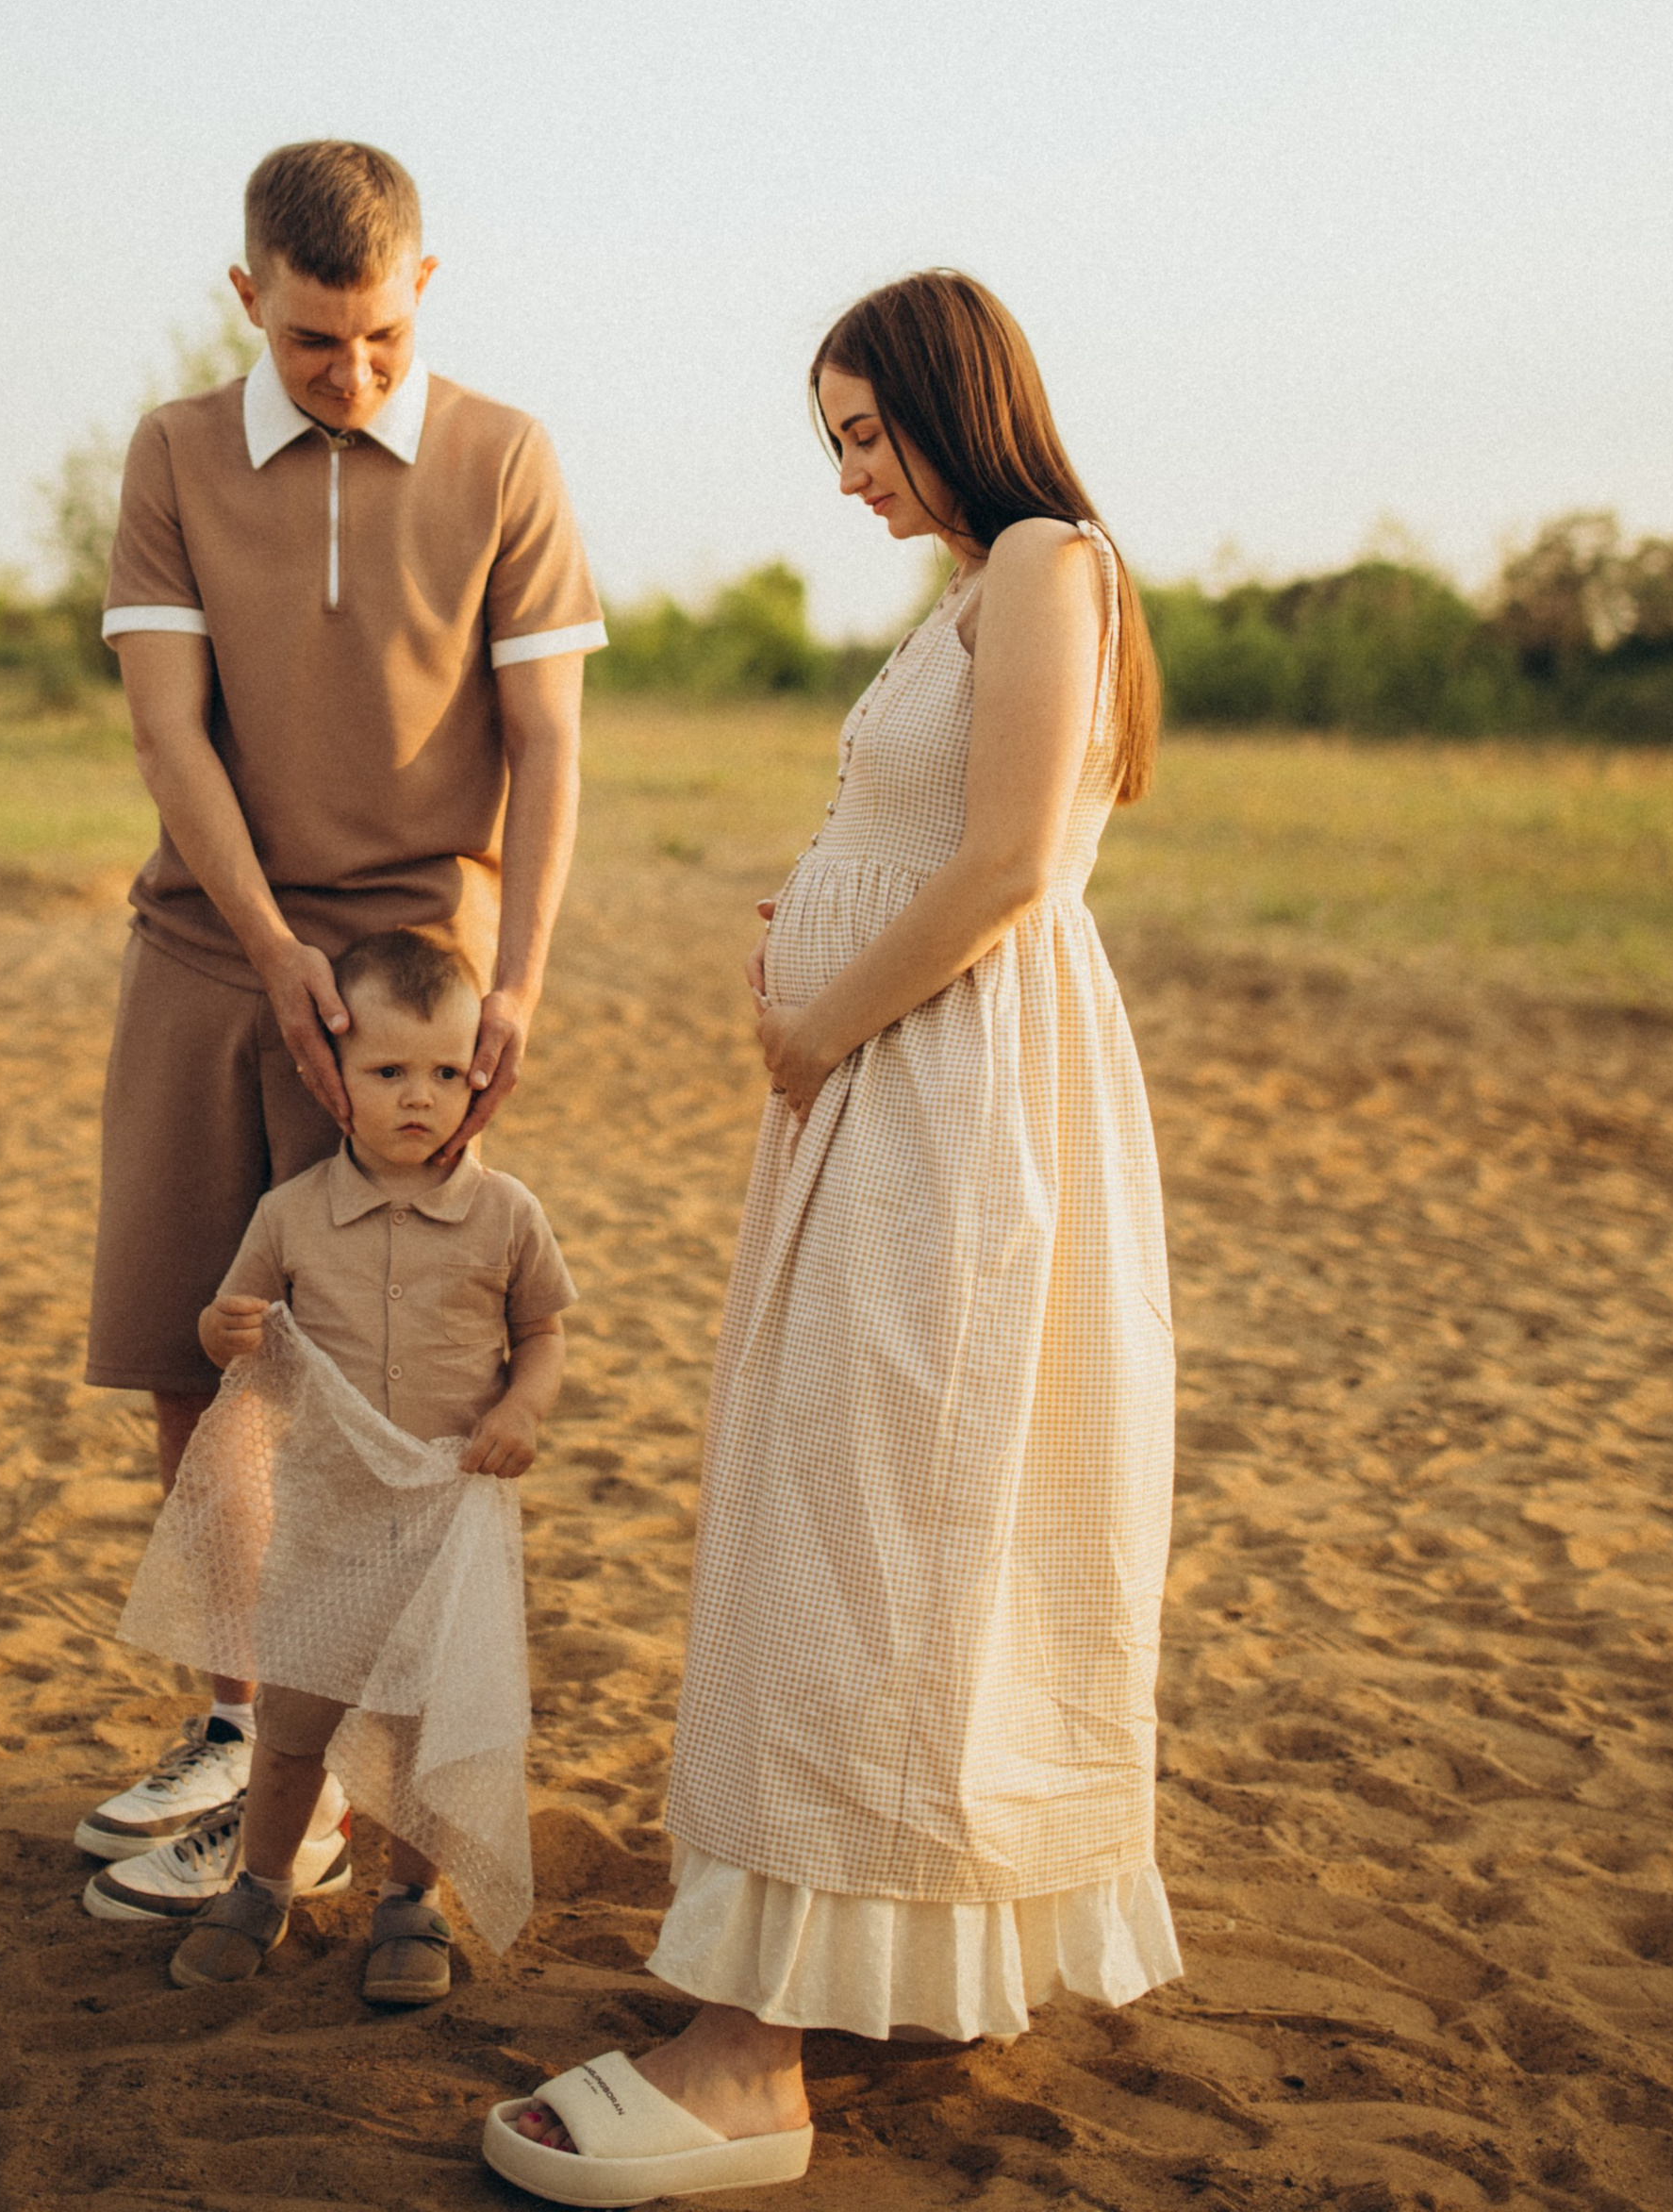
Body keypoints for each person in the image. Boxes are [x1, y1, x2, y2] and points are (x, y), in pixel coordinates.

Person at [487, 271, 1180, 2204]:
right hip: (888, 1095)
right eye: (833, 445)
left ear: (957, 404)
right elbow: (922, 847)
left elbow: (1010, 864)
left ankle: (746, 2062)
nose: (850, 476)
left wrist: (816, 1007)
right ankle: (835, 1966)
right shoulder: (972, 588)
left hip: (942, 1109)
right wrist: (807, 940)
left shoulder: (1047, 560)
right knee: (843, 1513)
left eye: (866, 435)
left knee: (862, 1518)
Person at [75, 139, 605, 1905]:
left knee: (384, 1382)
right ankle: (238, 1738)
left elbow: (547, 745)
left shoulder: (506, 458)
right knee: (193, 1351)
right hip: (211, 954)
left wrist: (512, 983)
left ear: (424, 293)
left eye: (379, 335)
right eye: (314, 341)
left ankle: (353, 1775)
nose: (353, 371)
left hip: (411, 986)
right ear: (248, 301)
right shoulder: (170, 456)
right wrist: (260, 939)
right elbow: (169, 734)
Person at [113, 925, 573, 2002]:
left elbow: (545, 1333)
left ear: (479, 1076)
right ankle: (261, 1885)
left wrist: (522, 1406)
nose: (420, 1097)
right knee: (293, 1729)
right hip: (325, 1522)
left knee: (422, 1730)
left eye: (446, 1073)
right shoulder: (291, 1215)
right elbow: (237, 1336)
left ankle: (411, 1905)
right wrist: (224, 1329)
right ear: (336, 1082)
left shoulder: (504, 1216)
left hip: (442, 1527)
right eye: (388, 1071)